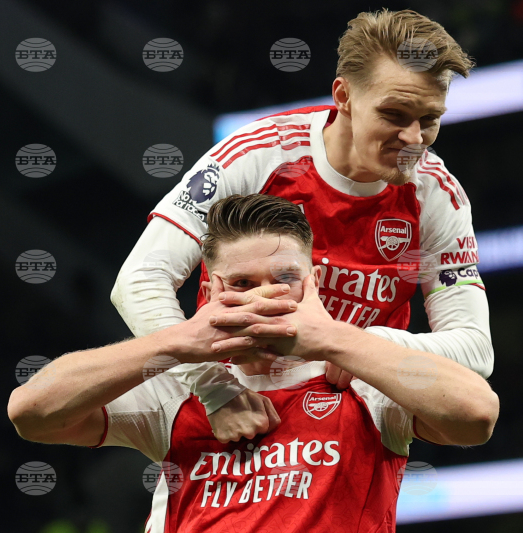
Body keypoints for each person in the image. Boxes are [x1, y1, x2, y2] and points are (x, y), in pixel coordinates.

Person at [7, 194, 500, 533]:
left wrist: (336, 340)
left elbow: (477, 415)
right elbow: (32, 412)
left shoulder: (362, 377)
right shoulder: (180, 386)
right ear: (210, 290)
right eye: (242, 284)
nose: (265, 296)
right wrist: (180, 340)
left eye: (284, 278)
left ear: (312, 281)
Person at [111, 8, 492, 444]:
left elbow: (475, 350)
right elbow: (139, 280)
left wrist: (358, 345)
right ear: (344, 96)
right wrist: (214, 387)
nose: (413, 138)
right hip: (230, 420)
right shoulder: (258, 155)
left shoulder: (437, 194)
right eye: (394, 114)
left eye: (429, 119)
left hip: (345, 441)